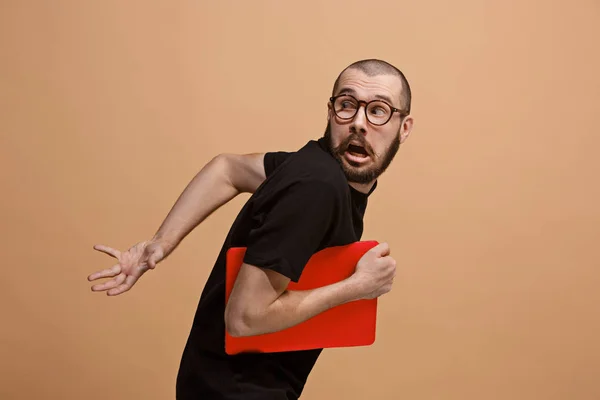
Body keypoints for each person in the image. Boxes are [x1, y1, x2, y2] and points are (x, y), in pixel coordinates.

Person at [87, 58, 414, 399]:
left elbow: (228, 170)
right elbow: (244, 318)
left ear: (404, 127)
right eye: (347, 106)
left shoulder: (310, 168)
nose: (359, 123)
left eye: (378, 111)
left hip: (217, 385)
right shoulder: (317, 187)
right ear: (331, 112)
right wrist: (357, 287)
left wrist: (160, 243)